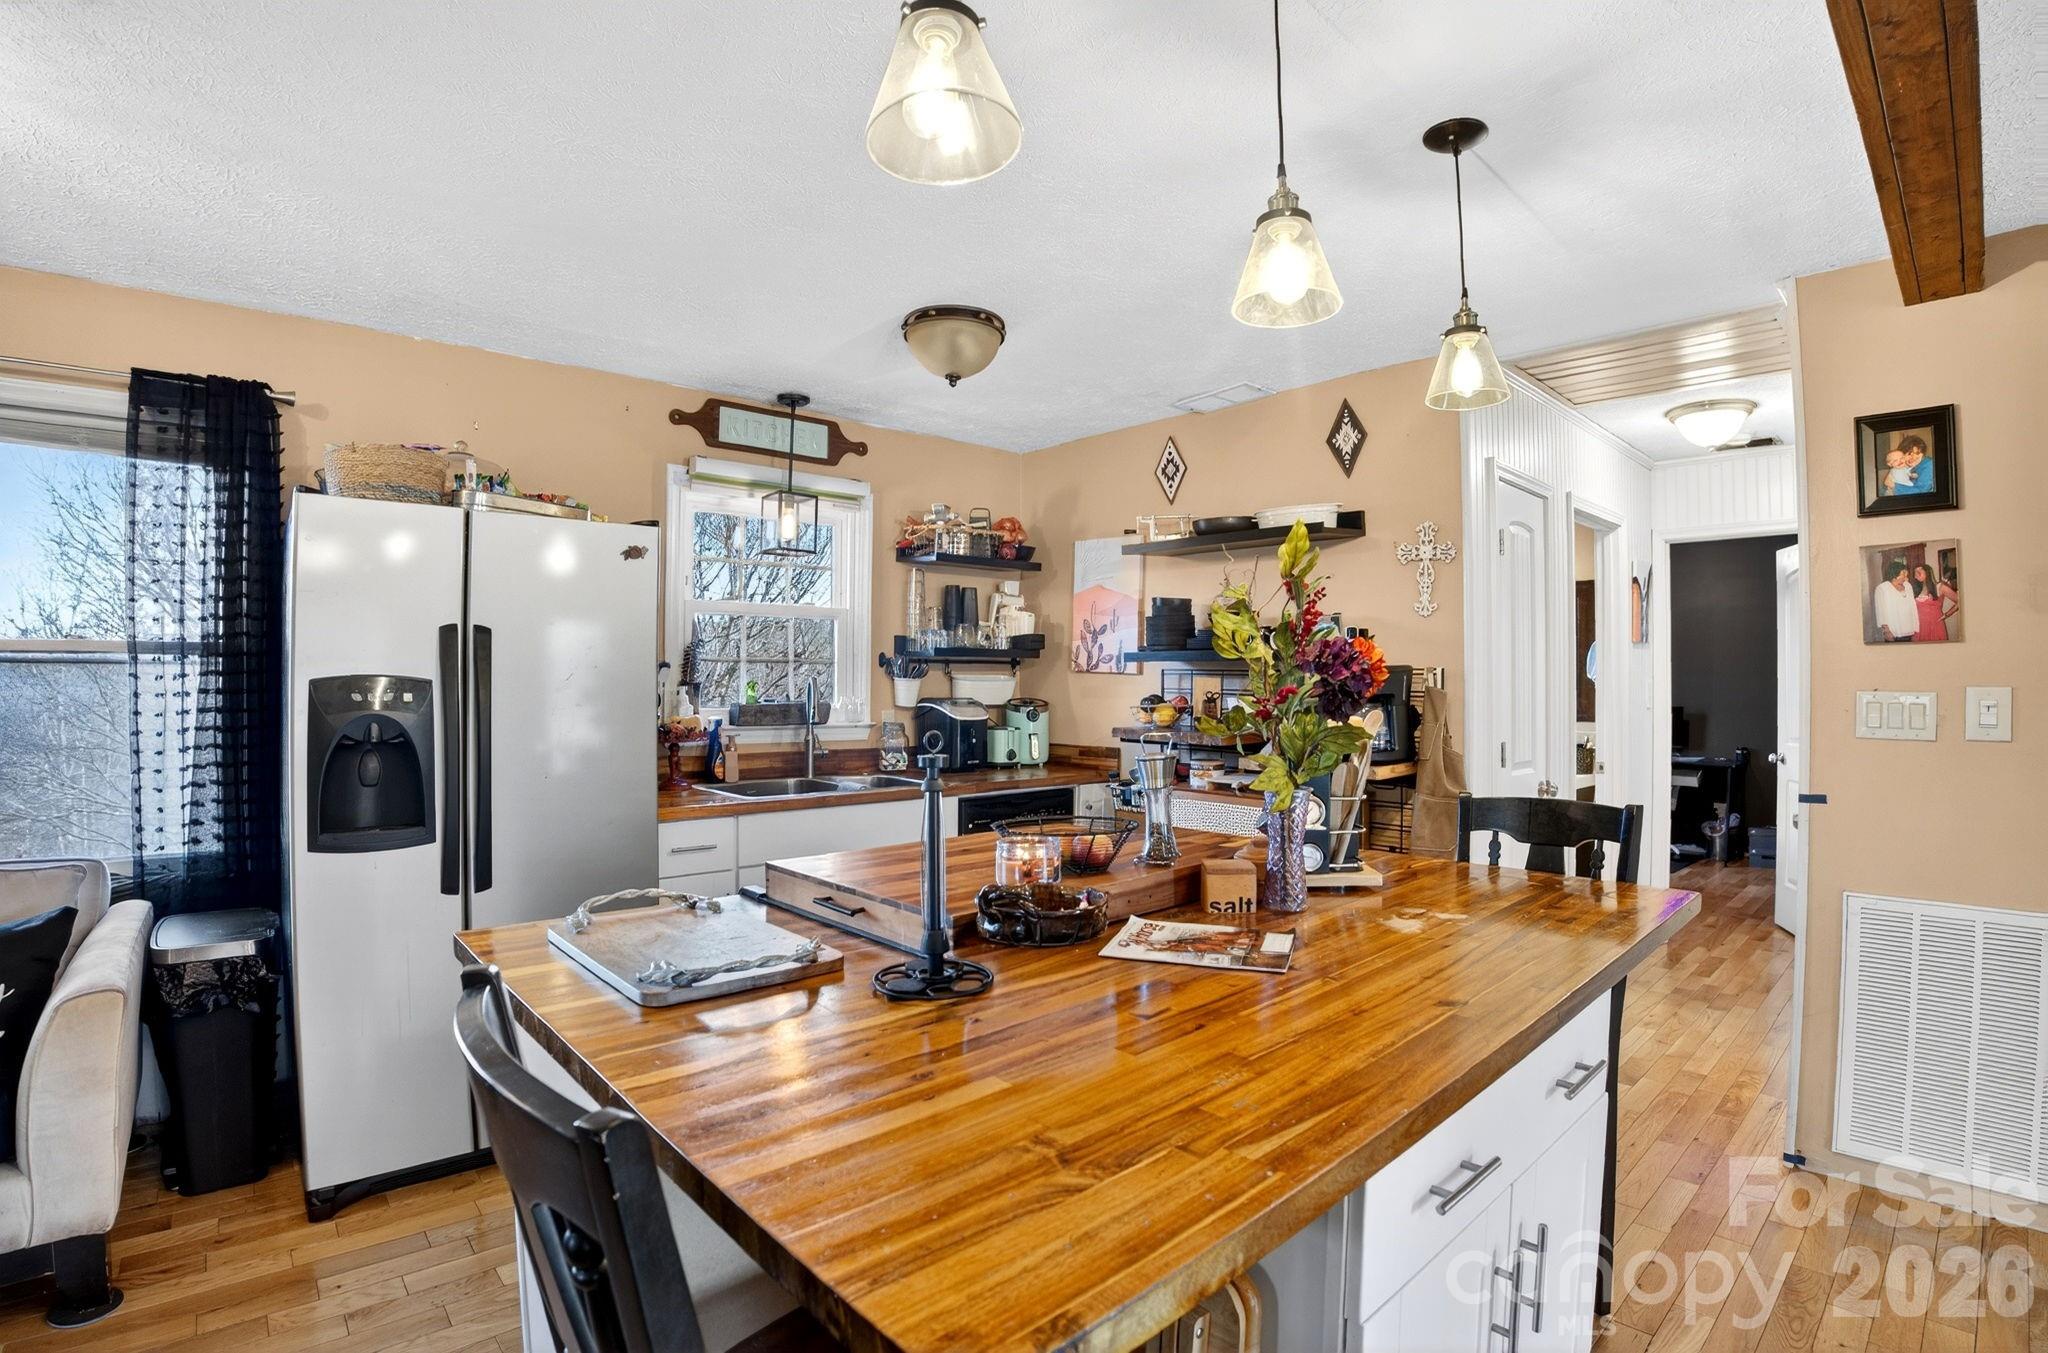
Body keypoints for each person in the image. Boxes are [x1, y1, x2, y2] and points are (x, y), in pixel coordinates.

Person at [1872, 559, 1918, 641]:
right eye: (1903, 574)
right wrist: (1886, 631)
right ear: (1894, 574)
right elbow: (1881, 611)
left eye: (1906, 573)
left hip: (1909, 630)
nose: (1906, 577)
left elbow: (1913, 607)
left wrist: (1914, 627)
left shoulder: (1908, 586)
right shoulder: (1882, 588)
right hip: (1893, 631)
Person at [1910, 563, 1948, 642]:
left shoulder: (1939, 587)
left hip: (1934, 625)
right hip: (1919, 626)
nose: (1915, 575)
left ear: (1927, 572)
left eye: (1918, 572)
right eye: (1915, 573)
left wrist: (1946, 615)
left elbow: (1958, 600)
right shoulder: (1915, 589)